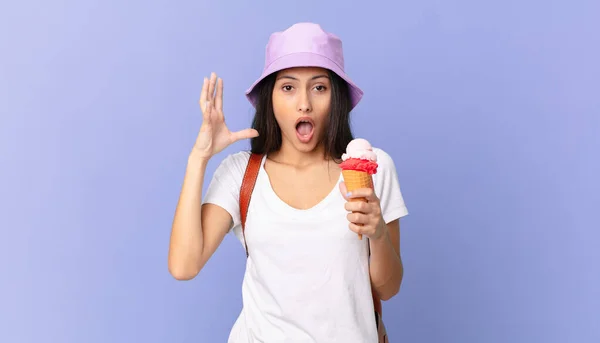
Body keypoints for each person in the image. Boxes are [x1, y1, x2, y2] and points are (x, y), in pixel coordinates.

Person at [168, 22, 409, 343]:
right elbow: (184, 266)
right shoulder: (240, 174)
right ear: (270, 99)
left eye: (319, 87)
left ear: (335, 98)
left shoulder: (373, 167)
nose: (304, 103)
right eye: (288, 87)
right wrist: (198, 158)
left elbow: (388, 288)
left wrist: (377, 233)